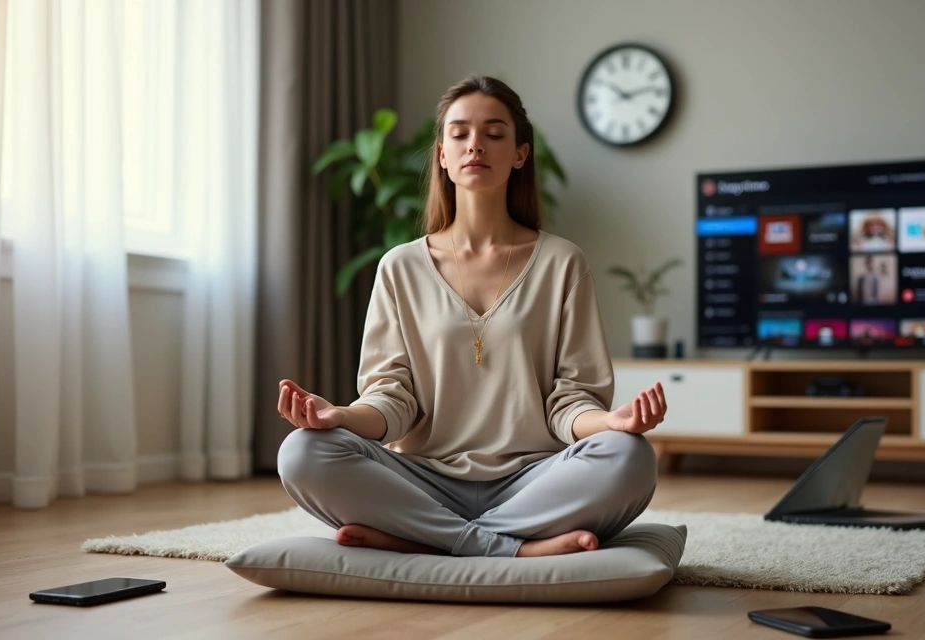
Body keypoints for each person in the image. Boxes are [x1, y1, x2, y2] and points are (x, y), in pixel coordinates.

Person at [275, 75, 668, 559]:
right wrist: (341, 416)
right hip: (423, 480)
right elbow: (391, 399)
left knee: (629, 457)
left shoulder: (563, 263)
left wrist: (612, 420)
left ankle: (422, 540)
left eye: (494, 133)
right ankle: (512, 548)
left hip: (533, 481)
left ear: (520, 153)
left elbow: (570, 400)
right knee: (303, 452)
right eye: (459, 133)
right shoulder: (400, 266)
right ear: (442, 154)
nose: (474, 145)